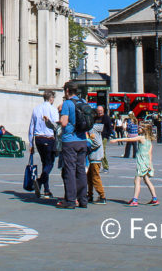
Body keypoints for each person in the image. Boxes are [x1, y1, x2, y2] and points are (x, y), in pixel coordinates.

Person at [55, 81, 88, 209]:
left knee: (69, 170)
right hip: (82, 139)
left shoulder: (67, 104)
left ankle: (70, 200)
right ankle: (83, 200)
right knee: (81, 170)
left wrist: (59, 116)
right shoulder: (83, 102)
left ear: (67, 91)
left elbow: (63, 122)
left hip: (70, 140)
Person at [112, 122, 159, 206]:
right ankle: (154, 198)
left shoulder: (141, 138)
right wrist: (149, 165)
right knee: (147, 180)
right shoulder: (149, 140)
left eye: (140, 127)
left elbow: (129, 139)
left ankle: (135, 200)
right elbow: (150, 153)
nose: (138, 129)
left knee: (137, 180)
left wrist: (117, 139)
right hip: (147, 162)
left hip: (141, 162)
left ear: (144, 129)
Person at [27, 89, 59, 199]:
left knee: (44, 162)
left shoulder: (36, 109)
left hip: (38, 139)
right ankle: (40, 181)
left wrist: (31, 144)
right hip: (49, 138)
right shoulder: (53, 109)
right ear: (51, 98)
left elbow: (31, 127)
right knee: (50, 163)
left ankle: (46, 190)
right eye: (53, 98)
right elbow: (56, 126)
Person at [87, 112, 106, 204]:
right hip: (93, 157)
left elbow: (96, 142)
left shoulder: (92, 129)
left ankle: (102, 196)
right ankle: (89, 195)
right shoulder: (92, 128)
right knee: (89, 177)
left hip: (95, 156)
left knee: (95, 177)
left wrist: (88, 145)